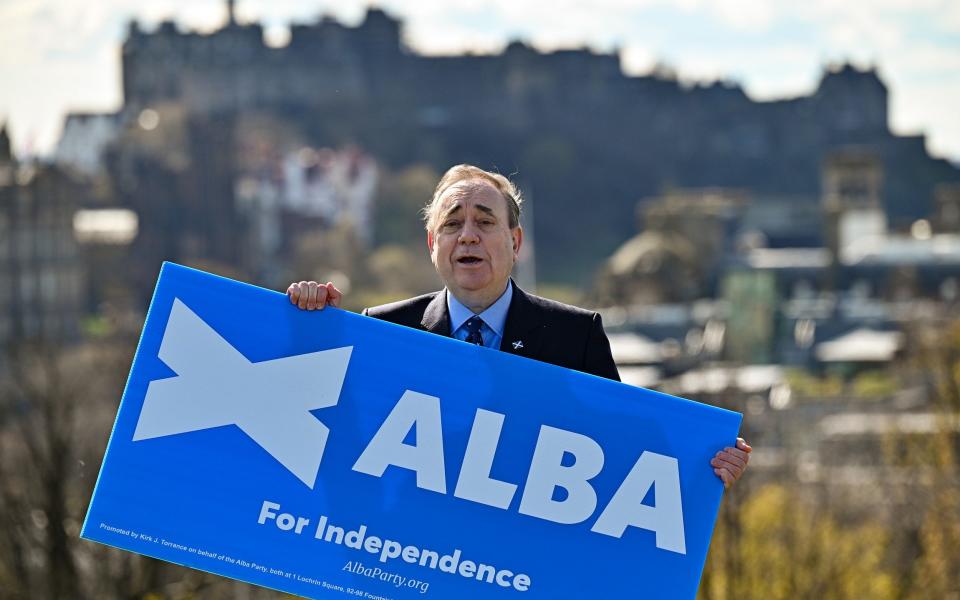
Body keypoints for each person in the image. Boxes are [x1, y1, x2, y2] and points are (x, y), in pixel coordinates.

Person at [287, 164, 751, 487]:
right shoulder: (385, 331)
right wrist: (307, 327)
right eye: (453, 224)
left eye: (484, 222)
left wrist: (701, 467)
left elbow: (624, 454)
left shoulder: (576, 337)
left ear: (515, 242)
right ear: (433, 243)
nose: (467, 233)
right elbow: (331, 437)